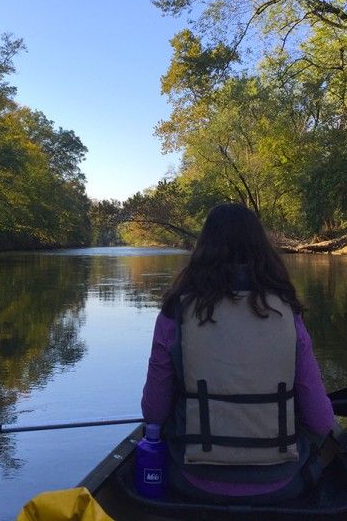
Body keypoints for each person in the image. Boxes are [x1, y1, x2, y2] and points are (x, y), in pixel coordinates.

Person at [140, 202, 334, 503]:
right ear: (261, 249)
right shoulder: (287, 312)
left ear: (202, 249)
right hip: (281, 484)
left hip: (192, 481)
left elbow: (154, 412)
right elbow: (321, 421)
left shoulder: (175, 312)